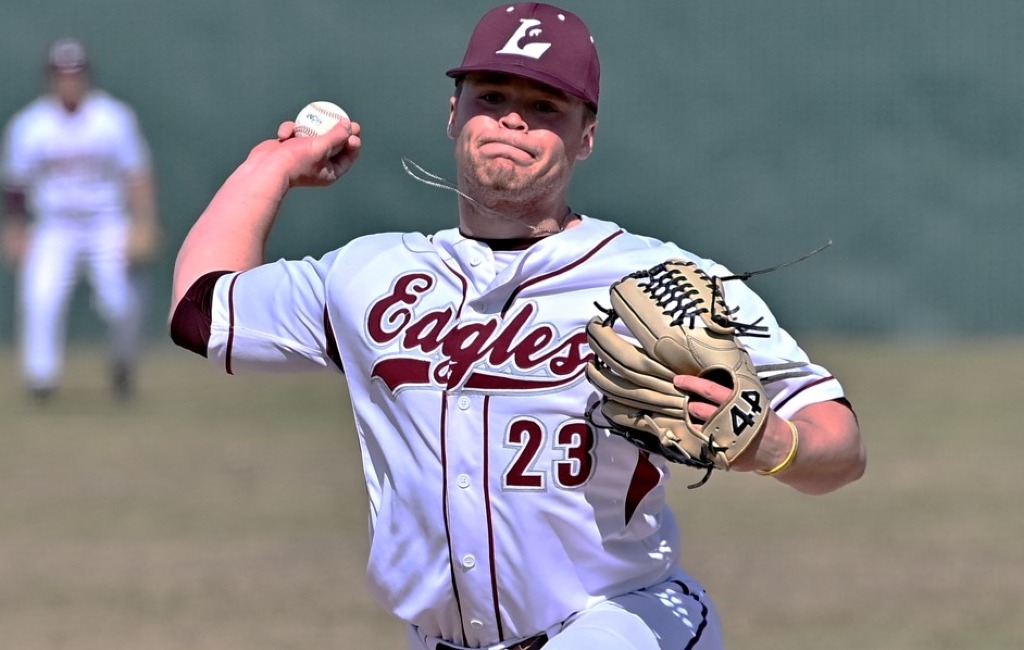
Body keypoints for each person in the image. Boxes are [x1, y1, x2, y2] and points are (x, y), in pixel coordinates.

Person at [169, 4, 865, 649]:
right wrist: (271, 168)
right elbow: (201, 313)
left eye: (543, 106)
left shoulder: (662, 280)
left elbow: (840, 442)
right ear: (453, 113)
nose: (512, 121)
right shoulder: (368, 274)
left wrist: (777, 446)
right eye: (492, 97)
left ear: (586, 135)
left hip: (622, 622)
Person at [1, 37, 160, 402]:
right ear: (50, 78)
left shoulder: (112, 118)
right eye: (61, 74)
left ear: (86, 76)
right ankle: (41, 380)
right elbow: (15, 185)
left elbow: (136, 175)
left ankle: (122, 365)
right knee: (40, 297)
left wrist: (143, 223)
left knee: (120, 300)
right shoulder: (30, 124)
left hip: (105, 221)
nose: (68, 81)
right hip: (54, 225)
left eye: (75, 74)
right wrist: (15, 230)